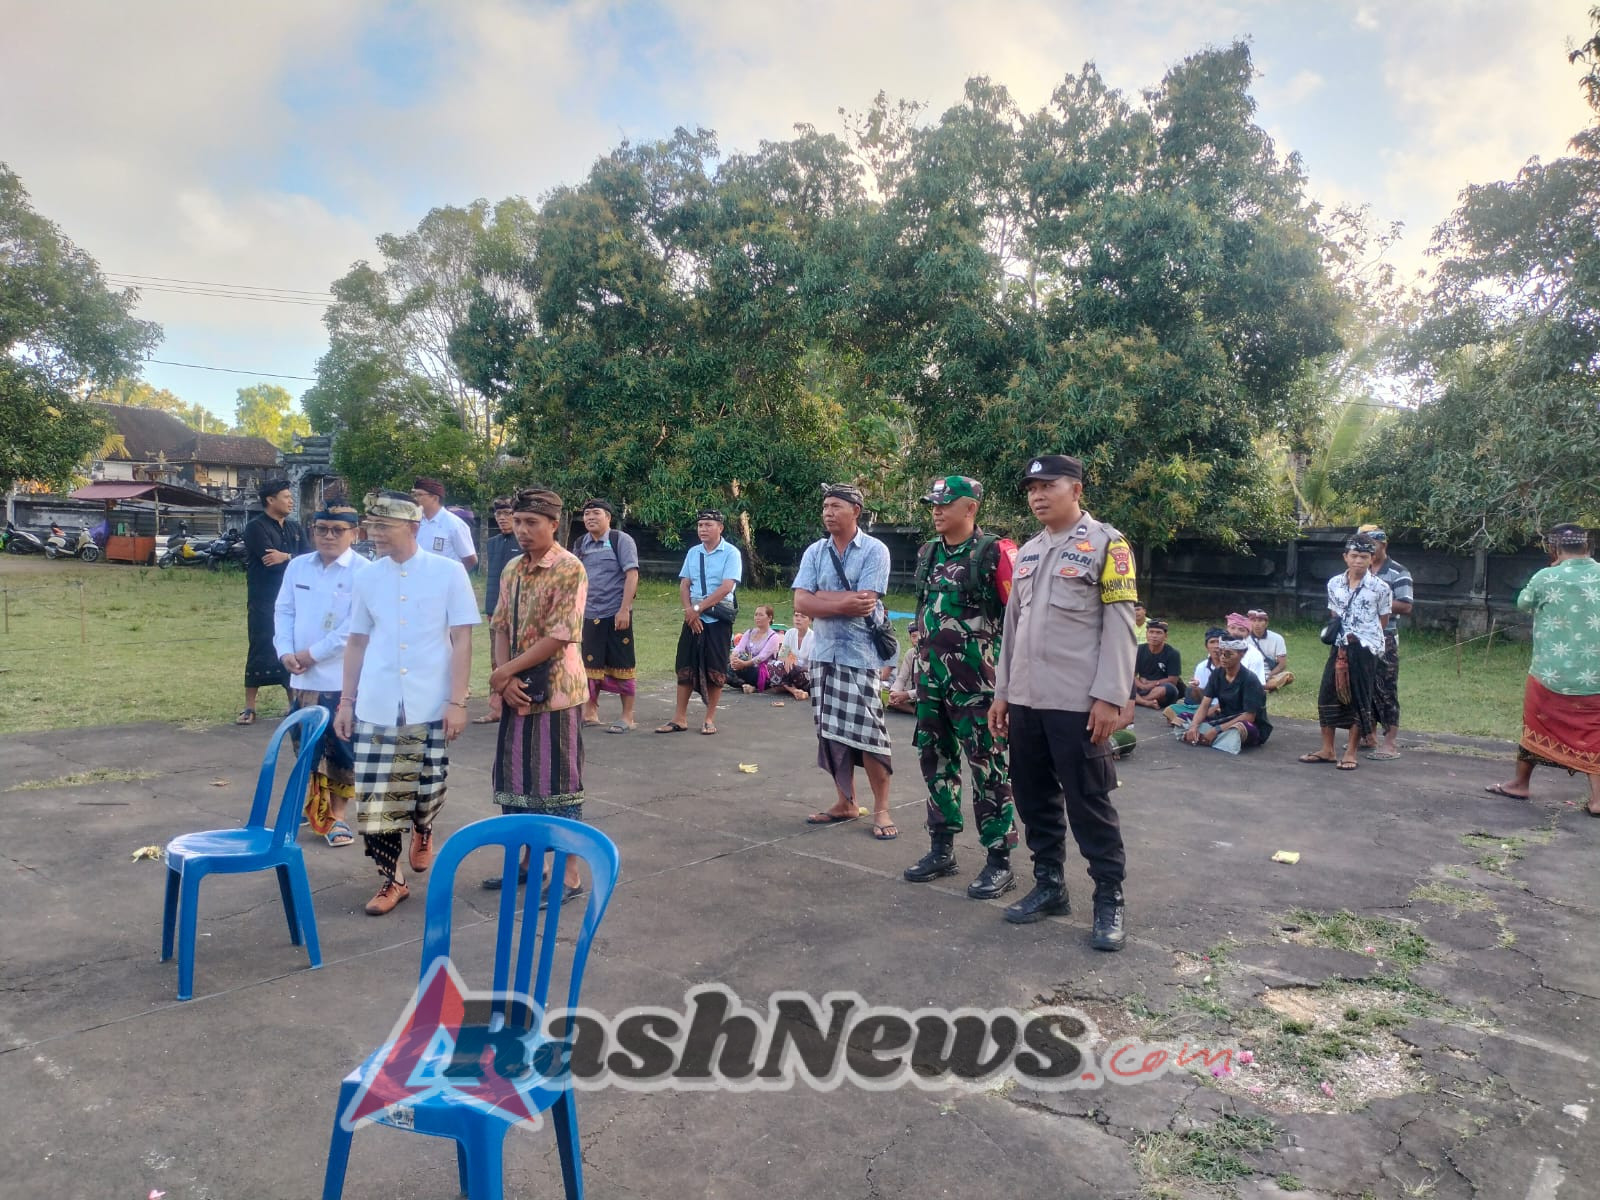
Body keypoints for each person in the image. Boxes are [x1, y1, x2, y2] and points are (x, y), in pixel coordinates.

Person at [991, 454, 1137, 950]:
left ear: (1075, 489)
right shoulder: (1028, 552)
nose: (1036, 495)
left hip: (1078, 703)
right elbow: (1013, 629)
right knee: (1034, 799)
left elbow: (1122, 625)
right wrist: (1004, 693)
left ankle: (1109, 898)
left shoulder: (1107, 546)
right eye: (1030, 487)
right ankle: (1050, 885)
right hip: (1027, 701)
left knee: (1088, 802)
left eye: (1046, 485)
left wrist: (1110, 696)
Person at [334, 490, 480, 916]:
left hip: (430, 698)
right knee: (378, 795)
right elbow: (357, 641)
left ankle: (424, 825)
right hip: (378, 700)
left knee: (427, 785)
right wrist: (346, 701)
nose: (374, 533)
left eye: (384, 526)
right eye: (371, 525)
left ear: (412, 527)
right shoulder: (367, 576)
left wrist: (457, 699)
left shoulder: (449, 573)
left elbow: (462, 638)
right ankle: (390, 879)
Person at [901, 474, 1020, 897]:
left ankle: (999, 860)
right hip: (932, 681)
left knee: (987, 768)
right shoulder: (928, 552)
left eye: (945, 503)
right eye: (932, 503)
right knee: (934, 761)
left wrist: (1010, 687)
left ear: (970, 508)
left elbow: (1019, 620)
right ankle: (942, 848)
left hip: (979, 687)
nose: (936, 510)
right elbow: (923, 608)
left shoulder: (995, 554)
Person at [484, 486, 590, 897]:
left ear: (554, 524)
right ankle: (529, 863)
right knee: (517, 783)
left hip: (558, 694)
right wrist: (504, 678)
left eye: (532, 522)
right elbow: (500, 625)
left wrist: (504, 672)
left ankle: (569, 873)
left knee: (558, 786)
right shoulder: (513, 568)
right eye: (519, 522)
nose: (522, 530)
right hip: (516, 691)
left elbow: (560, 635)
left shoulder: (569, 567)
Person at [793, 483, 897, 839]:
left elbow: (865, 601)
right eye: (825, 506)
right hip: (824, 655)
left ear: (856, 510)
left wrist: (820, 599)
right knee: (831, 735)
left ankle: (881, 811)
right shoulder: (815, 552)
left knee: (870, 736)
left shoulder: (875, 550)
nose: (828, 512)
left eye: (836, 506)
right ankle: (846, 802)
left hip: (861, 656)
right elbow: (800, 603)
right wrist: (838, 603)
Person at [1487, 524, 1600, 815]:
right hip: (1595, 676)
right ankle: (1598, 799)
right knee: (1594, 732)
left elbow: (1523, 602)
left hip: (1550, 673)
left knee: (1536, 724)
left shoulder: (1546, 577)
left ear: (1554, 548)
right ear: (1587, 546)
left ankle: (1520, 783)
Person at [273, 503, 368, 846]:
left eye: (337, 530)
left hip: (342, 680)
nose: (328, 536)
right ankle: (318, 808)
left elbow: (354, 629)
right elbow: (283, 610)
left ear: (355, 534)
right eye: (322, 529)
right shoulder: (299, 567)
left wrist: (310, 655)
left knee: (341, 750)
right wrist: (285, 652)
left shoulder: (365, 572)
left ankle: (338, 817)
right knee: (306, 747)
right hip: (301, 678)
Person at [1300, 535, 1391, 771]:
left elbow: (1383, 620)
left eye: (1363, 557)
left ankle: (1351, 752)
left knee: (1360, 699)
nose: (1358, 561)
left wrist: (1362, 639)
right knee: (1327, 694)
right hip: (1339, 646)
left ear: (1371, 559)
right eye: (1354, 556)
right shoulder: (1334, 584)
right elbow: (1335, 615)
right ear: (1345, 557)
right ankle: (1327, 749)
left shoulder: (1381, 588)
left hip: (1365, 650)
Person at [660, 509, 742, 735]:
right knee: (685, 665)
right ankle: (679, 717)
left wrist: (697, 609)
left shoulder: (731, 553)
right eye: (700, 525)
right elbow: (685, 584)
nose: (703, 529)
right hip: (693, 616)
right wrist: (689, 611)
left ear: (720, 528)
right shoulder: (693, 553)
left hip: (717, 617)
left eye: (708, 525)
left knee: (715, 668)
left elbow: (727, 587)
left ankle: (709, 718)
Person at [239, 479, 305, 725]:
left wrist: (286, 556)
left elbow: (308, 557)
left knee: (290, 646)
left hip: (292, 598)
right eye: (286, 496)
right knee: (260, 644)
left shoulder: (294, 527)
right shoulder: (256, 527)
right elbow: (269, 560)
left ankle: (293, 703)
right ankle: (249, 706)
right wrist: (291, 558)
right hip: (264, 597)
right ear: (270, 500)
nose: (290, 501)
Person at [573, 498, 641, 732]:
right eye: (587, 514)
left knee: (623, 665)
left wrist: (624, 609)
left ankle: (627, 717)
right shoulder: (581, 543)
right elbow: (576, 578)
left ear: (608, 517)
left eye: (596, 513)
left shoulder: (620, 540)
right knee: (589, 666)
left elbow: (631, 575)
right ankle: (590, 712)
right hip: (589, 614)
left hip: (616, 614)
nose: (590, 517)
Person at [1358, 527, 1413, 759]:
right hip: (1360, 636)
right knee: (1363, 686)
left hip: (1385, 636)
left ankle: (1390, 741)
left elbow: (1406, 605)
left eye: (1372, 545)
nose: (1368, 551)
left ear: (1384, 545)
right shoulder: (1360, 571)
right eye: (1364, 547)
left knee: (1386, 687)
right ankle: (1368, 734)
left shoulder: (1398, 572)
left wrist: (1376, 602)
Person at [1178, 637, 1272, 754]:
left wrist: (1217, 729)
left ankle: (1208, 737)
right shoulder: (1217, 674)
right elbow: (1205, 705)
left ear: (1241, 654)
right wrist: (1194, 726)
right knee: (1182, 717)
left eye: (1228, 654)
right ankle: (1208, 737)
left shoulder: (1250, 679)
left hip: (1247, 724)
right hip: (1224, 718)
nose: (1222, 657)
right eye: (1221, 653)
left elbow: (1249, 716)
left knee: (1238, 730)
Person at [474, 498, 519, 724]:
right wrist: (490, 608)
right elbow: (492, 579)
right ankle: (497, 708)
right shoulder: (492, 543)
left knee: (519, 659)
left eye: (507, 513)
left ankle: (518, 706)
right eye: (499, 514)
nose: (502, 518)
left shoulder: (524, 541)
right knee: (496, 661)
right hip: (496, 611)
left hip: (520, 612)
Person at [411, 477, 478, 572]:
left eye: (419, 495)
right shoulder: (415, 521)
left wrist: (452, 577)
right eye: (413, 495)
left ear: (435, 498)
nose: (415, 499)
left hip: (444, 583)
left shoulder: (455, 524)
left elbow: (470, 559)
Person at [730, 604, 783, 693]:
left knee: (750, 671)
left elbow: (762, 657)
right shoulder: (750, 632)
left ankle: (751, 685)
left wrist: (744, 664)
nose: (757, 617)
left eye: (761, 615)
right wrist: (733, 658)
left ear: (769, 618)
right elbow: (739, 648)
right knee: (728, 667)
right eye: (756, 614)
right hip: (748, 666)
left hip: (763, 671)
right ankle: (746, 685)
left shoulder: (773, 637)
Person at [1132, 619, 1183, 708]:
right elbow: (1131, 674)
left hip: (1159, 689)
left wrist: (1150, 684)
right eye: (1151, 632)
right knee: (1123, 682)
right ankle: (1146, 702)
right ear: (1146, 634)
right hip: (1141, 687)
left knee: (1170, 689)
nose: (1154, 636)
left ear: (1165, 636)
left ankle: (1139, 700)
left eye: (1158, 633)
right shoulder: (1139, 650)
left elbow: (1172, 680)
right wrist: (1142, 686)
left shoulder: (1173, 653)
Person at [770, 612, 815, 701]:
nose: (798, 619)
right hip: (789, 672)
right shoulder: (789, 633)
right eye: (796, 615)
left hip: (806, 676)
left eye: (803, 617)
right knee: (773, 665)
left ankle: (785, 687)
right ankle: (795, 691)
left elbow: (813, 667)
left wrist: (797, 667)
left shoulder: (814, 638)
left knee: (781, 677)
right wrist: (788, 658)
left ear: (810, 620)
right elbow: (781, 657)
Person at [1246, 608, 1293, 692]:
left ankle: (1261, 687)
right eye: (1254, 620)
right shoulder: (1244, 638)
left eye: (1260, 621)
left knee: (1288, 677)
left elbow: (1282, 664)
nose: (1257, 624)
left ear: (1266, 623)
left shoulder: (1277, 638)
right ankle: (1264, 687)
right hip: (1249, 674)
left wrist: (1268, 676)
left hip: (1269, 675)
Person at [1223, 612, 1270, 686]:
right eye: (1232, 628)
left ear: (1248, 634)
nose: (1235, 632)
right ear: (1227, 629)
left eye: (1241, 630)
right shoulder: (1218, 649)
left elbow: (1256, 685)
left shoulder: (1254, 655)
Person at [885, 627, 922, 714]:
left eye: (919, 636)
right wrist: (894, 692)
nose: (916, 640)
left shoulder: (932, 655)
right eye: (913, 636)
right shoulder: (910, 654)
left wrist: (907, 695)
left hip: (925, 694)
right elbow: (901, 678)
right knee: (892, 699)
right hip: (912, 694)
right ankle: (914, 711)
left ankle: (917, 711)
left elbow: (928, 688)